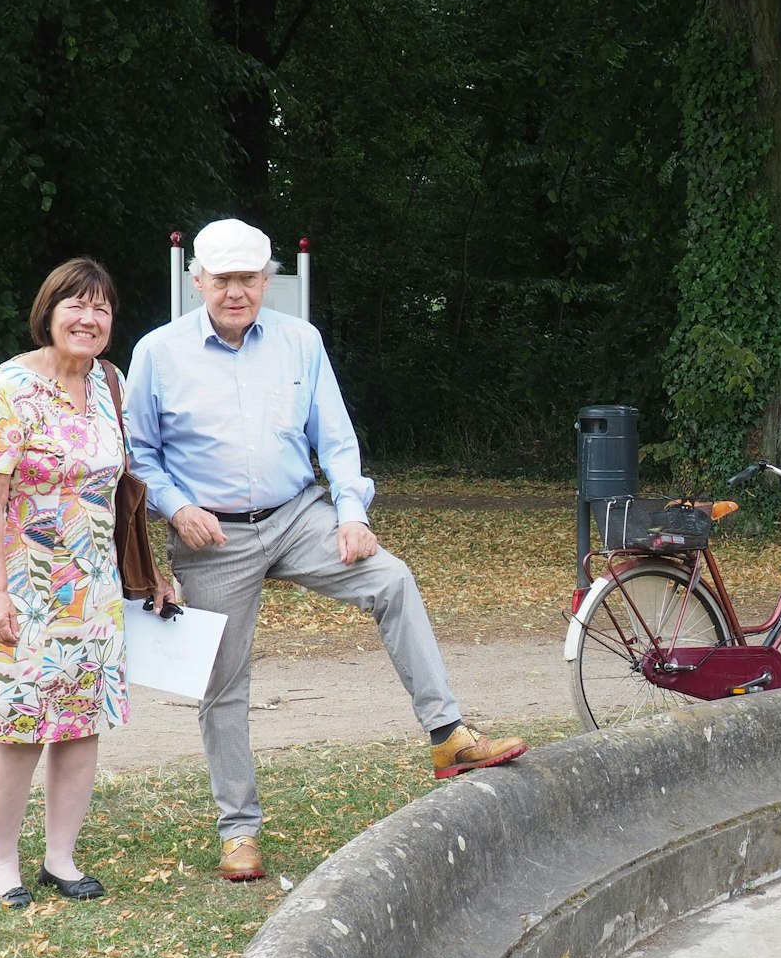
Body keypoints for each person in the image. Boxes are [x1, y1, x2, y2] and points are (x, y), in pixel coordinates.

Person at [124, 218, 527, 883]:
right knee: (222, 683)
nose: (235, 292)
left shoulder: (299, 340)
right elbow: (140, 454)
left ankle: (449, 735)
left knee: (391, 580)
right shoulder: (157, 353)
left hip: (296, 514)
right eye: (221, 279)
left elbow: (336, 438)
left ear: (267, 279)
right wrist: (178, 507)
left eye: (248, 279)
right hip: (212, 535)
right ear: (197, 280)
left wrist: (350, 511)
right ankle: (239, 831)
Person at [0, 257, 174, 909]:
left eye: (102, 308)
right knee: (20, 726)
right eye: (75, 305)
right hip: (23, 588)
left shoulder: (110, 383)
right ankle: (4, 864)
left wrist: (152, 571)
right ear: (48, 312)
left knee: (81, 726)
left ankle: (61, 857)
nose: (89, 318)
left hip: (95, 590)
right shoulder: (8, 387)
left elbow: (122, 494)